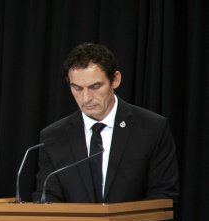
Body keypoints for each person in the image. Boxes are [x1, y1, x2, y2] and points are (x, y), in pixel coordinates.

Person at [33, 42, 179, 203]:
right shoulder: (54, 137)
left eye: (95, 86)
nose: (86, 98)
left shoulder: (152, 128)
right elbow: (47, 198)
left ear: (115, 80)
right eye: (77, 88)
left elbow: (163, 195)